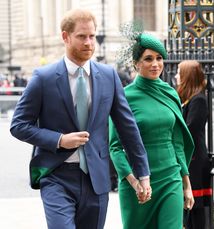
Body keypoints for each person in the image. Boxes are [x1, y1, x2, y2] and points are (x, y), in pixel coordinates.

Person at [10, 9, 151, 229]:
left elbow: (128, 128)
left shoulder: (108, 76)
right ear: (65, 37)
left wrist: (143, 173)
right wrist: (59, 140)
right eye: (82, 36)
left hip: (97, 179)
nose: (89, 43)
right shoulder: (43, 78)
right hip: (56, 176)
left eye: (92, 36)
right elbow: (18, 125)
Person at [109, 31, 195, 229]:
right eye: (148, 59)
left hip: (170, 177)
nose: (156, 64)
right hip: (136, 181)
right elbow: (115, 147)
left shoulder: (170, 93)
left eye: (159, 58)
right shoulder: (124, 97)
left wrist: (187, 184)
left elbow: (178, 143)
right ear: (136, 63)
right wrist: (134, 182)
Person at [175, 60, 212, 229]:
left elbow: (190, 129)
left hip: (196, 160)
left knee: (195, 208)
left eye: (179, 73)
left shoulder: (199, 100)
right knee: (188, 208)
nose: (176, 76)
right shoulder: (188, 99)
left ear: (187, 76)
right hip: (189, 158)